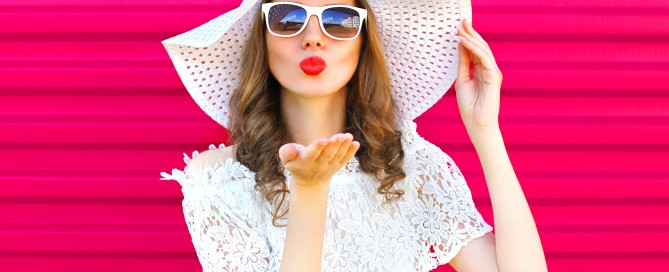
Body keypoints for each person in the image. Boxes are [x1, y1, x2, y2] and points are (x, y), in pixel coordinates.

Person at [160, 0, 547, 271]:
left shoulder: (407, 165)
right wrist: (309, 190)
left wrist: (485, 130)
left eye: (340, 19)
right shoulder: (219, 181)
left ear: (364, 44)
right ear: (262, 40)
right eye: (288, 17)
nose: (313, 38)